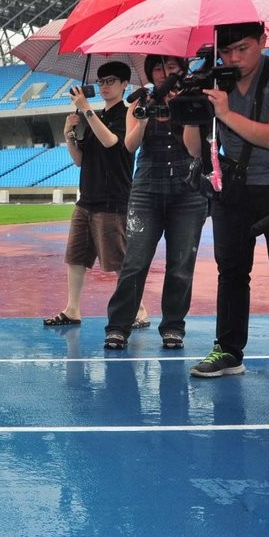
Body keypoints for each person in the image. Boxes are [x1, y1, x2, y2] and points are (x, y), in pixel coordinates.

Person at [189, 21, 269, 388]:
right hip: (235, 187)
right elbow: (194, 149)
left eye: (242, 49)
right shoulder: (215, 79)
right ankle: (228, 350)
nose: (233, 58)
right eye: (226, 51)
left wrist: (226, 113)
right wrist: (194, 113)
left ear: (263, 41)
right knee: (231, 271)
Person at [103, 54, 209, 351]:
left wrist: (184, 110)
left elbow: (197, 149)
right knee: (134, 261)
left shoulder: (196, 99)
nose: (165, 73)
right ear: (150, 73)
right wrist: (148, 114)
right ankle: (118, 326)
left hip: (188, 191)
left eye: (172, 68)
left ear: (182, 71)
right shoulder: (139, 102)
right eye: (159, 68)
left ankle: (173, 326)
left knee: (180, 263)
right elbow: (129, 145)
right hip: (147, 189)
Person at [44, 60, 145, 329]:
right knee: (76, 256)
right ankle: (72, 309)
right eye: (101, 81)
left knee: (119, 260)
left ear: (125, 85)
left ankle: (139, 309)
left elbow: (112, 143)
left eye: (111, 81)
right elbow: (79, 160)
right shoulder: (94, 117)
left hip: (113, 198)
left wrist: (88, 111)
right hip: (87, 197)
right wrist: (69, 135)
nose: (104, 86)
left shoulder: (128, 114)